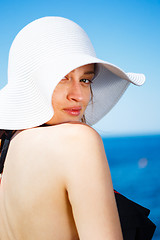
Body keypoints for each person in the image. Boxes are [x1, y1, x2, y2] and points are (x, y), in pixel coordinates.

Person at [0, 17, 156, 240]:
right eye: (62, 77)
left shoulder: (8, 152)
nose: (79, 96)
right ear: (32, 82)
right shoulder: (77, 140)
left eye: (85, 80)